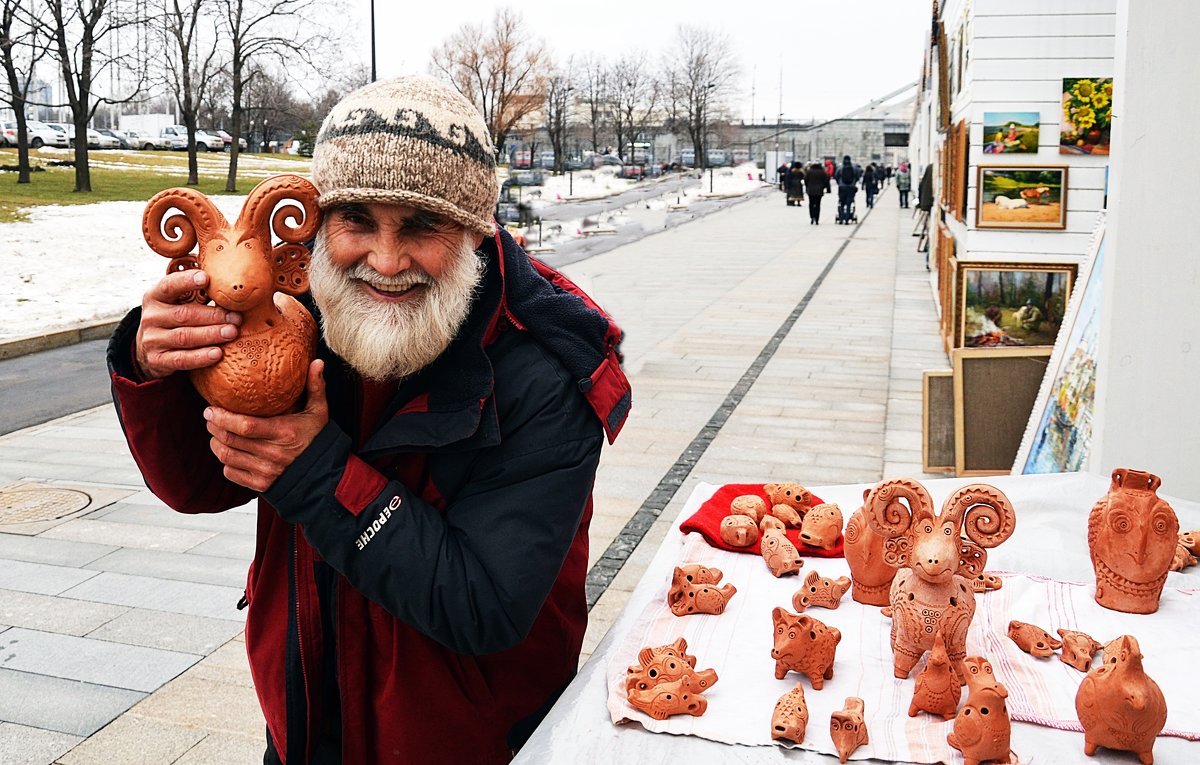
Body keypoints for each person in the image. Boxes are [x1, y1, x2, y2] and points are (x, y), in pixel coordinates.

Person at [106, 75, 632, 764]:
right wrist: (157, 366)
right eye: (356, 219)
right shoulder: (303, 314)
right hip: (305, 717)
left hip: (463, 741)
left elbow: (486, 604)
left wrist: (317, 473)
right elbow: (201, 484)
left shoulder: (545, 367)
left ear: (475, 231)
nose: (385, 262)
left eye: (421, 225)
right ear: (320, 223)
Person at [835, 155, 859, 224]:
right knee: (849, 203)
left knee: (841, 203)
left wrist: (839, 183)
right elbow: (857, 176)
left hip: (842, 187)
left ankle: (841, 218)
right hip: (851, 188)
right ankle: (847, 219)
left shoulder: (840, 167)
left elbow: (836, 176)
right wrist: (854, 183)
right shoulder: (854, 168)